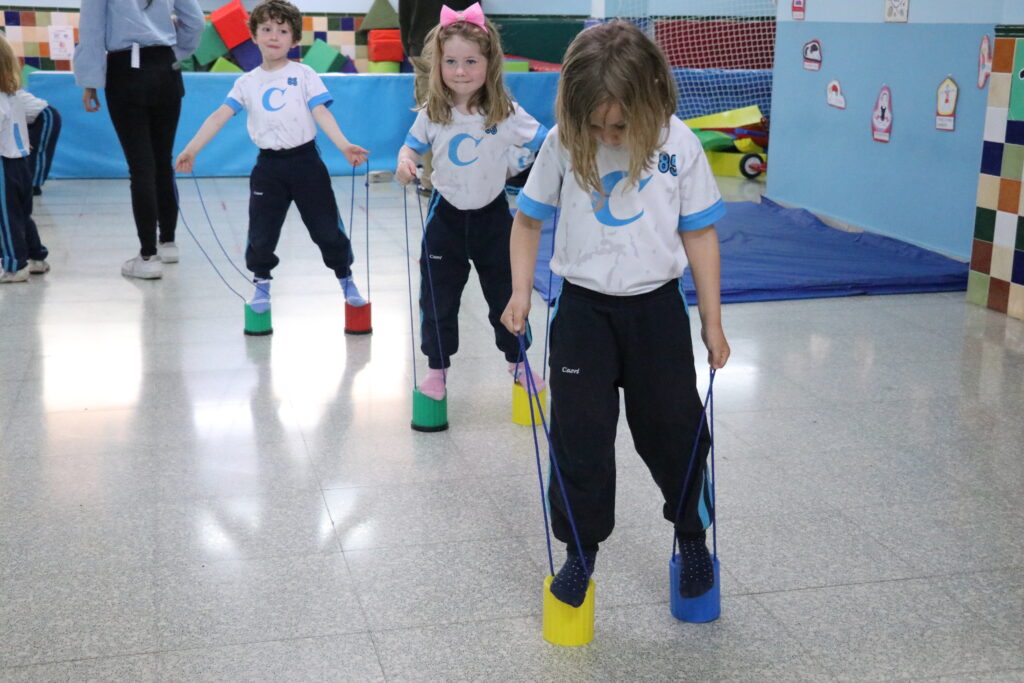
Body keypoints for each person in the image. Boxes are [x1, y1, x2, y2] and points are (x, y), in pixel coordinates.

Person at [501, 20, 731, 608]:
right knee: (580, 439)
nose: (606, 135)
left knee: (674, 433)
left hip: (656, 311)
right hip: (582, 313)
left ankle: (690, 535)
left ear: (650, 97)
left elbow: (700, 235)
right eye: (595, 124)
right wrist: (521, 294)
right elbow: (527, 221)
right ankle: (581, 552)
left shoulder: (679, 144)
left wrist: (712, 321)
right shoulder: (563, 140)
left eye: (620, 125)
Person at [394, 3, 547, 400]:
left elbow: (547, 142)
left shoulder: (506, 112)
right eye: (451, 61)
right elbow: (409, 150)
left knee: (505, 294)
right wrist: (405, 165)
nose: (460, 71)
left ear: (489, 63)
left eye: (471, 61)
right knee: (437, 298)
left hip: (493, 220)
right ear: (438, 64)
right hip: (444, 220)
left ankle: (518, 363)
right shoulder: (433, 112)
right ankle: (437, 370)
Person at [175, 0, 369, 312]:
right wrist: (191, 149)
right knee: (262, 231)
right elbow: (218, 117)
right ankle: (261, 283)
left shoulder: (304, 74)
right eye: (266, 29)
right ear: (254, 35)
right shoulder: (246, 82)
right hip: (269, 167)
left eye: (282, 30)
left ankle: (345, 277)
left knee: (326, 229)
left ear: (294, 40)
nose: (274, 36)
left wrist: (344, 145)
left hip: (306, 164)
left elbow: (320, 112)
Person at [74, 0, 203, 280]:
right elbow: (195, 21)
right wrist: (173, 51)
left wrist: (90, 81)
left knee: (141, 167)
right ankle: (168, 242)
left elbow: (92, 31)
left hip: (125, 71)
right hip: (166, 68)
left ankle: (147, 256)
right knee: (161, 161)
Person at [399, 0, 474, 195]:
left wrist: (410, 48)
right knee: (464, 112)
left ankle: (432, 180)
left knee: (435, 115)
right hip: (461, 45)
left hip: (423, 45)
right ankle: (454, 177)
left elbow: (405, 13)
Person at [0, 34, 48, 282]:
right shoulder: (12, 94)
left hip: (4, 164)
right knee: (20, 214)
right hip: (19, 162)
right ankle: (36, 256)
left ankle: (14, 264)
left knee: (5, 217)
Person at [17, 88, 61, 196]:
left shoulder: (5, 88)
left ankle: (33, 185)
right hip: (24, 120)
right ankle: (24, 183)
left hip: (44, 116)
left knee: (38, 152)